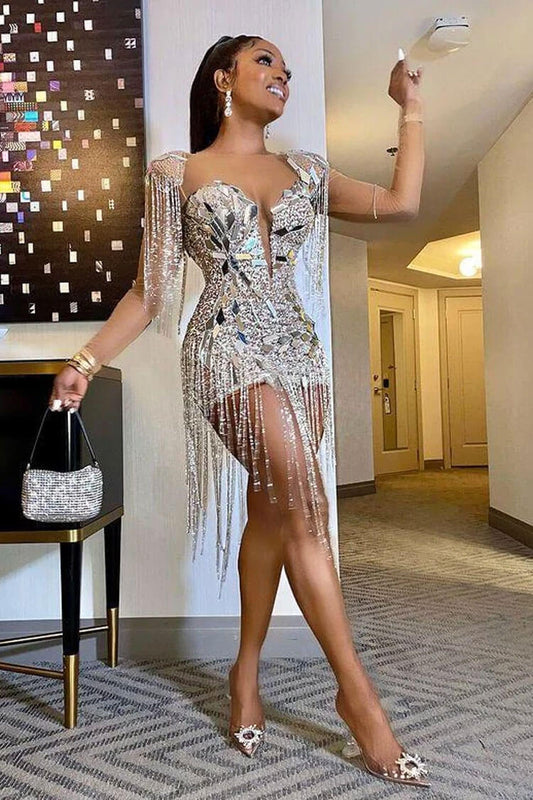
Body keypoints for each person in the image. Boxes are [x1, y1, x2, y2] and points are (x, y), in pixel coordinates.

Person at [49, 35, 428, 786]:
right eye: (265, 61)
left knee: (274, 510)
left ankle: (244, 674)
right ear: (224, 77)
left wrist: (410, 108)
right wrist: (85, 361)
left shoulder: (307, 171)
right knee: (306, 504)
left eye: (286, 68)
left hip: (299, 355)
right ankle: (358, 699)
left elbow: (401, 202)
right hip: (225, 350)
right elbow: (150, 292)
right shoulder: (177, 172)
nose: (281, 73)